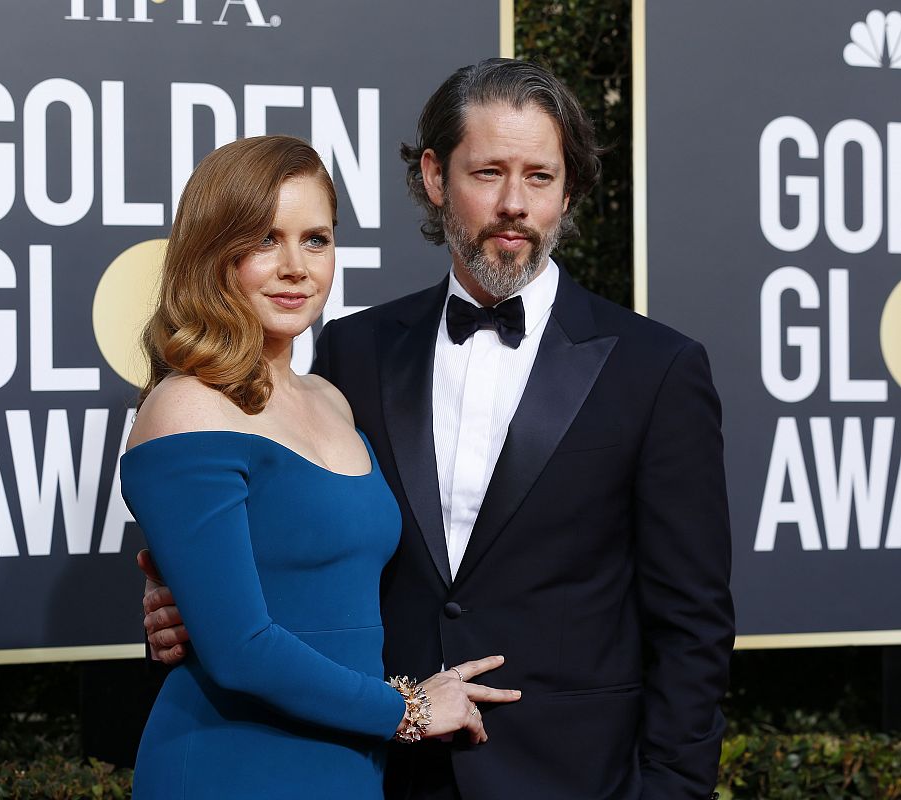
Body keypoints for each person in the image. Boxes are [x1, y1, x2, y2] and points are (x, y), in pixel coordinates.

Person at [142, 60, 734, 799]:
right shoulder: (356, 352)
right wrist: (187, 604)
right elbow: (283, 551)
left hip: (573, 776)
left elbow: (692, 623)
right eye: (487, 173)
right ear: (434, 177)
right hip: (381, 767)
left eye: (540, 177)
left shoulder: (656, 368)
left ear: (567, 190)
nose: (513, 203)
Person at [121, 134, 521, 799]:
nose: (294, 267)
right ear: (211, 253)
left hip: (351, 762)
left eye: (315, 240)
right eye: (263, 240)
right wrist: (408, 710)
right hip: (233, 764)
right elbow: (239, 650)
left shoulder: (331, 399)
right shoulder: (186, 406)